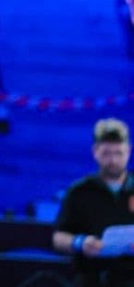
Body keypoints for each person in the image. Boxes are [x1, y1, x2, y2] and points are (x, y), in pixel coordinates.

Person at [52, 118, 134, 286]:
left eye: (118, 153)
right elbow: (58, 237)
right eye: (106, 153)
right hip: (91, 277)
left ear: (128, 151)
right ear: (95, 151)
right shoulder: (79, 191)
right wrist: (80, 243)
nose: (113, 160)